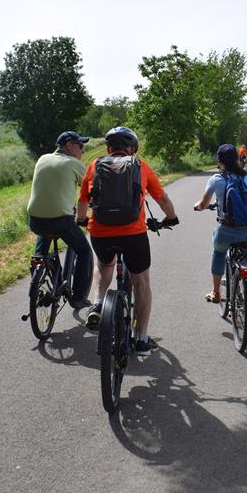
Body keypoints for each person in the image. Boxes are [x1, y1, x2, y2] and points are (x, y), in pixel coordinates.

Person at [77, 126, 179, 355]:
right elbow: (161, 197)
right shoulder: (140, 166)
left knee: (103, 265)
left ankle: (98, 302)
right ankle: (141, 340)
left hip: (101, 234)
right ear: (132, 149)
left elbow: (83, 200)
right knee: (141, 282)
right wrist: (171, 218)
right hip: (133, 234)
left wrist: (82, 220)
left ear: (108, 148)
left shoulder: (94, 166)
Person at [193, 143, 247, 310]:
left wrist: (197, 206)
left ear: (220, 161)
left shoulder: (216, 179)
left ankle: (216, 292)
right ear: (237, 159)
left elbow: (203, 204)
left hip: (226, 232)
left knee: (218, 253)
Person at [27, 131, 93, 308]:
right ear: (70, 145)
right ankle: (78, 297)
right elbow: (89, 191)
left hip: (35, 220)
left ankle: (40, 280)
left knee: (40, 253)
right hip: (60, 220)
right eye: (80, 146)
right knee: (84, 252)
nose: (82, 150)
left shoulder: (43, 158)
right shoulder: (74, 163)